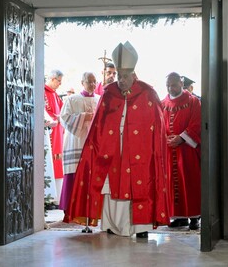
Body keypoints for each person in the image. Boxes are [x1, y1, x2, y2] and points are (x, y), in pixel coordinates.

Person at [64, 41, 170, 238]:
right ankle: (111, 224)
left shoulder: (148, 94)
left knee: (140, 184)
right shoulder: (109, 93)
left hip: (141, 152)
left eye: (125, 76)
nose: (121, 80)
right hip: (112, 150)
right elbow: (98, 126)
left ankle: (141, 227)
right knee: (110, 187)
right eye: (119, 76)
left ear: (134, 76)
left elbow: (158, 127)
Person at [162, 72, 202, 230]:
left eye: (173, 85)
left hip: (187, 150)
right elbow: (158, 124)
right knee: (172, 183)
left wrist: (182, 138)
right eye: (167, 85)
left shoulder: (193, 102)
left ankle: (194, 217)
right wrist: (164, 138)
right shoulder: (162, 103)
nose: (170, 88)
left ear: (181, 83)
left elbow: (197, 123)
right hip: (169, 149)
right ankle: (179, 217)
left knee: (190, 182)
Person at [59, 72, 100, 213]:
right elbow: (63, 118)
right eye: (89, 81)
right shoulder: (72, 99)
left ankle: (90, 209)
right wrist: (83, 117)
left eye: (94, 82)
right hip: (76, 140)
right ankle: (71, 208)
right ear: (82, 82)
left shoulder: (100, 99)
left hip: (94, 142)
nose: (93, 85)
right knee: (74, 172)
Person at [44, 69, 65, 205]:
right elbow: (45, 111)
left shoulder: (55, 95)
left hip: (58, 134)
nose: (60, 84)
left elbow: (62, 111)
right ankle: (48, 197)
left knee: (57, 164)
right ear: (52, 79)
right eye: (59, 81)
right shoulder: (43, 92)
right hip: (50, 134)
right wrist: (53, 119)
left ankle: (56, 197)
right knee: (50, 164)